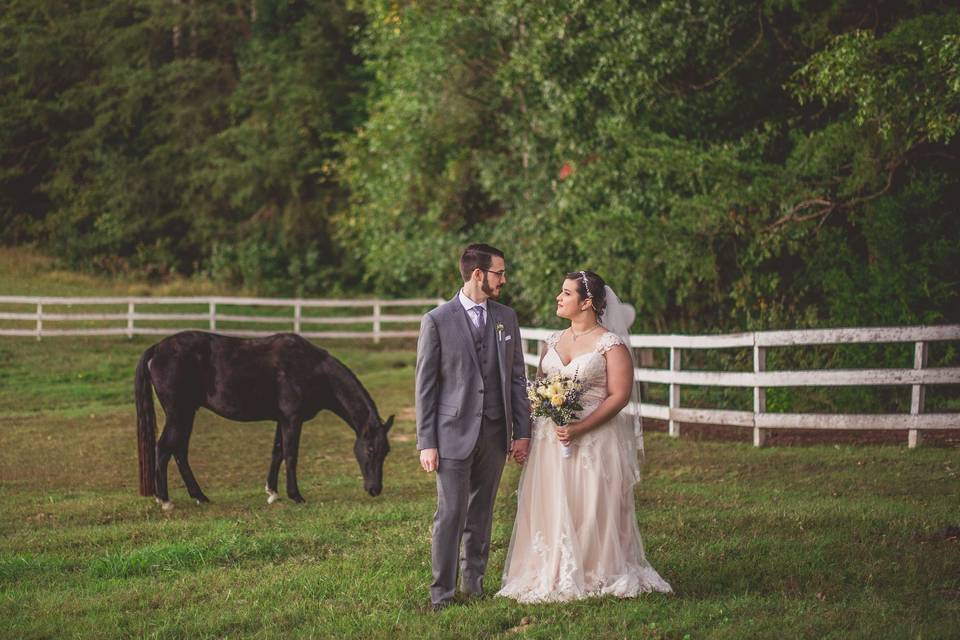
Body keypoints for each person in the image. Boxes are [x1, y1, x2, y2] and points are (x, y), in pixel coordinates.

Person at [497, 270, 672, 603]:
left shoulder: (610, 344)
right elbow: (538, 389)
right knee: (551, 501)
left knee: (591, 503)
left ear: (587, 302)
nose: (558, 298)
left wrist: (579, 428)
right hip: (551, 441)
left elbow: (619, 396)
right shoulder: (553, 341)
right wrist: (532, 428)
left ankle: (596, 568)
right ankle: (551, 565)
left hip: (595, 439)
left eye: (566, 293)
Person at [415, 243, 531, 611]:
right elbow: (426, 387)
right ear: (478, 274)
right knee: (450, 514)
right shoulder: (437, 320)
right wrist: (426, 442)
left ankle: (475, 584)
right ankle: (441, 593)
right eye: (500, 272)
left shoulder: (506, 318)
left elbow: (517, 378)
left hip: (495, 433)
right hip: (451, 434)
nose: (504, 279)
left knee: (482, 512)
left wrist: (522, 431)